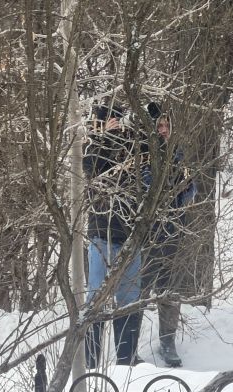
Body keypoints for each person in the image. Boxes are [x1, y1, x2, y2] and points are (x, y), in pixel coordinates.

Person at [82, 101, 147, 367]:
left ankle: (126, 360)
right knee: (96, 298)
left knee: (129, 299)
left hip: (131, 234)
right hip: (101, 234)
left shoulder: (133, 146)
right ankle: (90, 361)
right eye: (109, 121)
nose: (115, 125)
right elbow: (94, 168)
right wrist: (106, 137)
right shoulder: (92, 145)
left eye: (117, 121)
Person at [140, 104, 196, 368]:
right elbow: (145, 187)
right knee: (139, 290)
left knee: (170, 289)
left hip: (173, 230)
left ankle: (167, 341)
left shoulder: (178, 154)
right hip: (146, 234)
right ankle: (128, 343)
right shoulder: (142, 154)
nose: (163, 130)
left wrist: (184, 190)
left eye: (166, 126)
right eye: (159, 126)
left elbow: (190, 189)